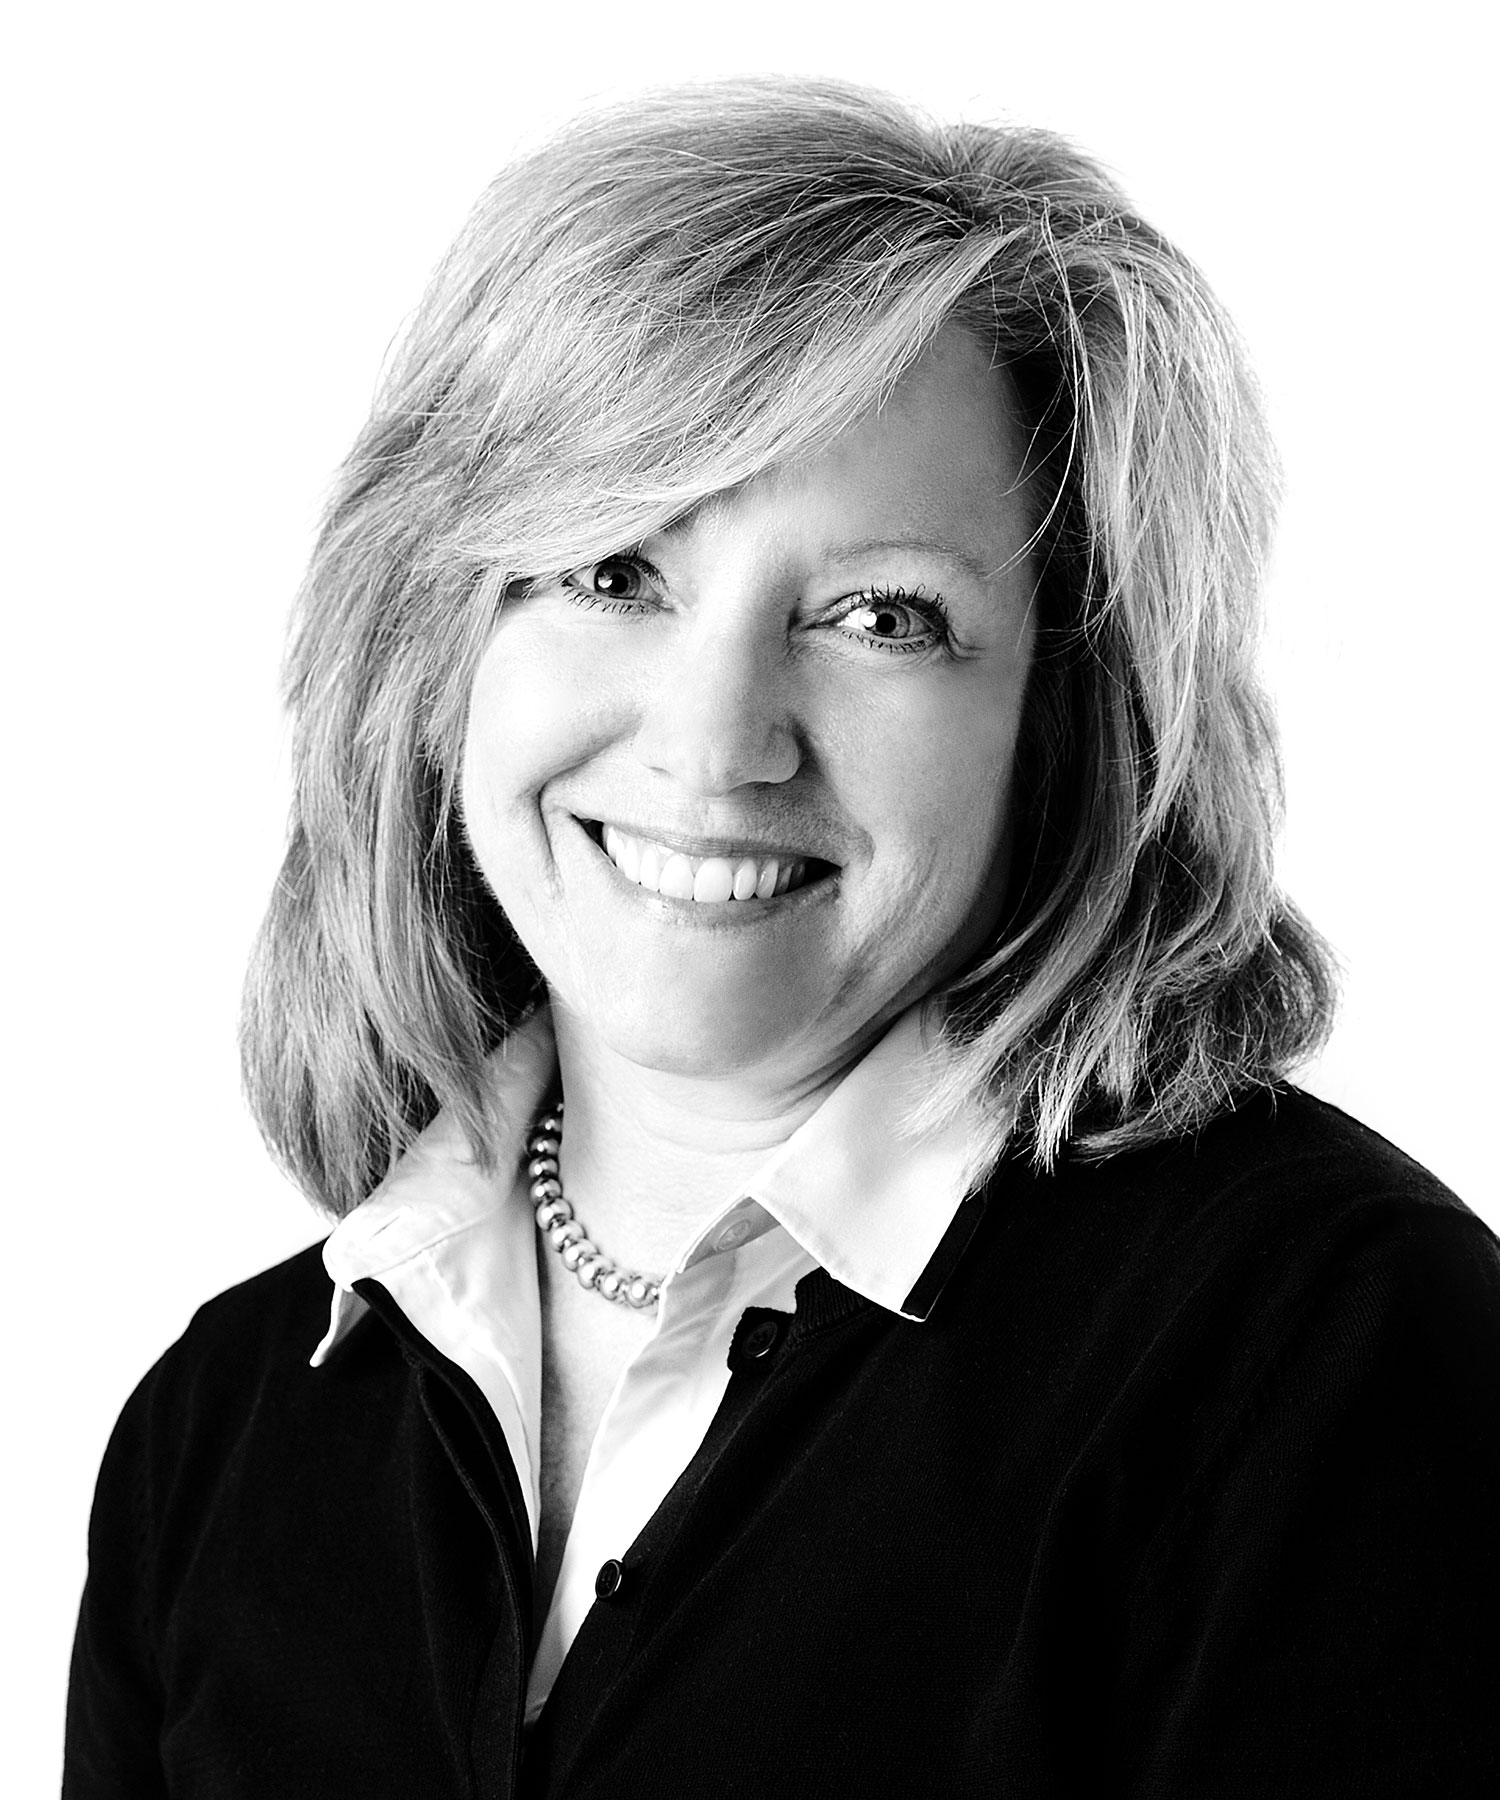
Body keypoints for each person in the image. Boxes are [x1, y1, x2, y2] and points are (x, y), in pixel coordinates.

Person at [65, 76, 1500, 1797]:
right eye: (613, 572)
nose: (715, 737)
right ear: (436, 638)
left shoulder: (1319, 1351)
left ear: (1067, 716)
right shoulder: (225, 1430)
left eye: (883, 617)